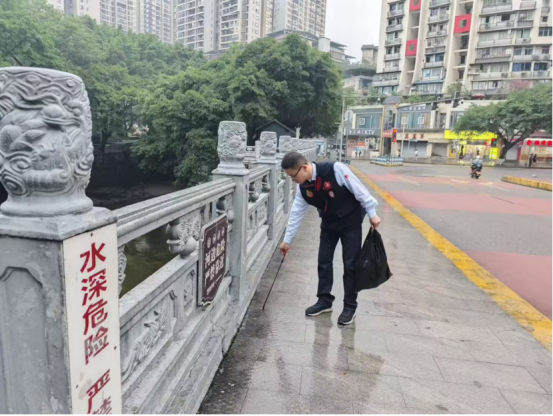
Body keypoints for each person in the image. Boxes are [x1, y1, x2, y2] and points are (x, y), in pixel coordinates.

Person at [279, 153, 381, 326]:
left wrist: (372, 214)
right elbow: (296, 213)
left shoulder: (335, 169)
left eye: (293, 176)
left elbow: (359, 190)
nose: (293, 180)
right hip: (328, 223)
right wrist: (287, 241)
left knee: (350, 264)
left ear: (304, 167)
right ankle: (324, 300)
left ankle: (350, 306)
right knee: (324, 262)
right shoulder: (303, 188)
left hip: (350, 221)